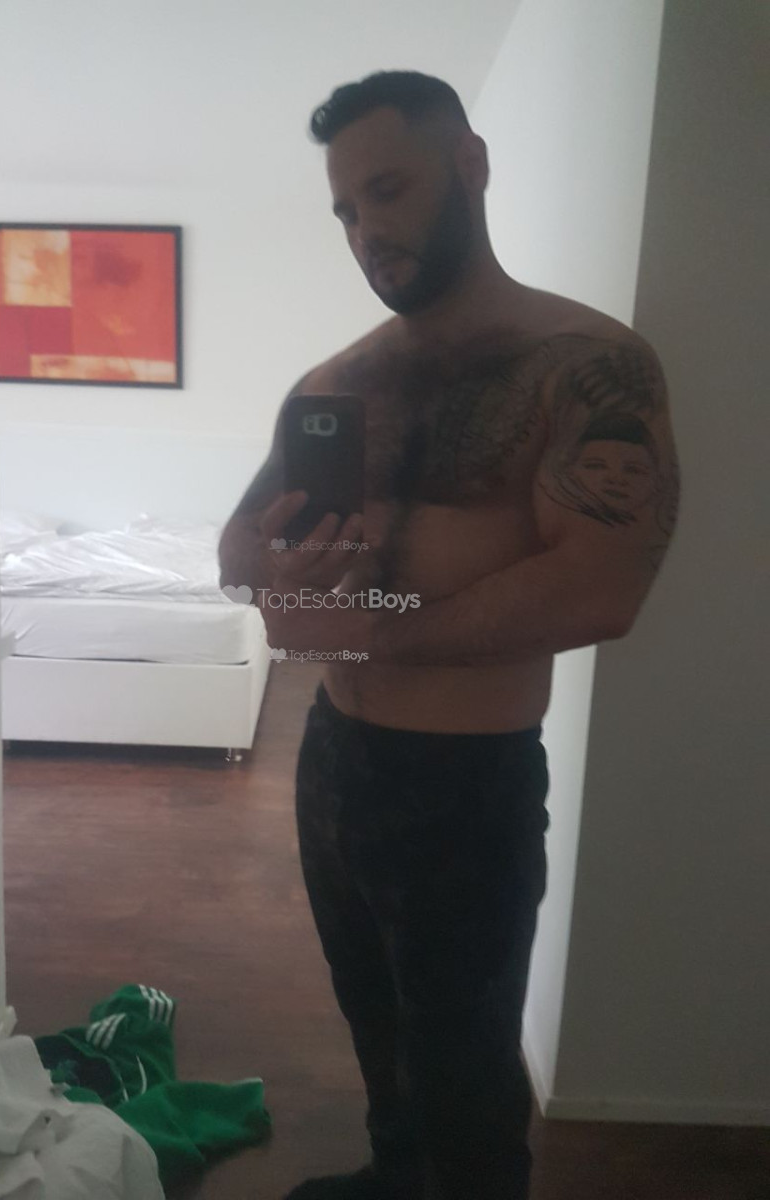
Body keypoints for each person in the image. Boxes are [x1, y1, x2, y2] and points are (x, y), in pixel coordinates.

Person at [218, 71, 679, 1200]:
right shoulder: (339, 380)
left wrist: (367, 630)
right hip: (333, 760)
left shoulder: (585, 365)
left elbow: (599, 590)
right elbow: (237, 546)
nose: (365, 231)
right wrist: (273, 582)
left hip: (463, 783)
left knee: (465, 1075)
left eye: (388, 190)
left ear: (469, 164)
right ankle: (392, 1176)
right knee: (374, 1024)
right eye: (345, 210)